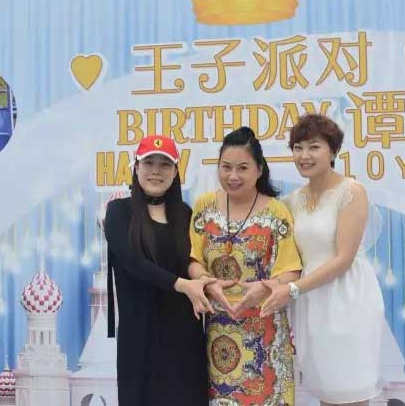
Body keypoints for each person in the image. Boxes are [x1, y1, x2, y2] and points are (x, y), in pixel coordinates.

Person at [261, 114, 385, 406]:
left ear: (333, 151)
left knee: (350, 389)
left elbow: (344, 258)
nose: (304, 155)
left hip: (348, 300)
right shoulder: (290, 201)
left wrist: (292, 290)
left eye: (314, 147)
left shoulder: (351, 191)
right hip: (311, 304)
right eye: (298, 148)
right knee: (326, 390)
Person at [188, 126, 302, 406]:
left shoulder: (276, 212)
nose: (232, 176)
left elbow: (292, 270)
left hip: (266, 333)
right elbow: (193, 261)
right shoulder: (204, 206)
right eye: (226, 167)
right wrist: (207, 282)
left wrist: (265, 287)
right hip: (219, 335)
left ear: (259, 170)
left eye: (242, 168)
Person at [104, 135, 211, 406]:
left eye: (165, 164)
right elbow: (132, 262)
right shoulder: (118, 211)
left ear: (175, 172)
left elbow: (192, 260)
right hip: (139, 335)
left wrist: (202, 278)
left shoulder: (185, 214)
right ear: (136, 167)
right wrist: (183, 285)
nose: (156, 171)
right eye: (148, 162)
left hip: (183, 334)